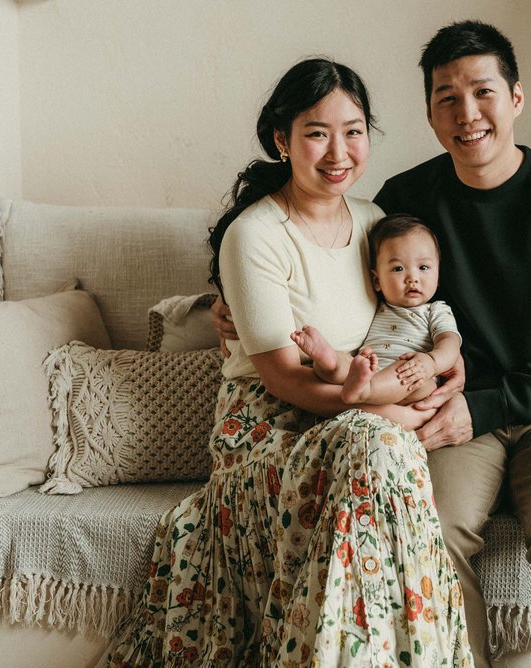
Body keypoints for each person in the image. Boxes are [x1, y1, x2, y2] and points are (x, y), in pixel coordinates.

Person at [213, 22, 531, 667]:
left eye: (482, 92)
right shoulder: (404, 202)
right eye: (446, 98)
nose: (467, 115)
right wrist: (226, 304)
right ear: (429, 112)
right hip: (446, 408)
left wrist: (487, 406)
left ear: (516, 97)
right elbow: (311, 254)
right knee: (428, 532)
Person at [102, 58, 472, 667]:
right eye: (317, 132)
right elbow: (280, 376)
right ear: (283, 140)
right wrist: (383, 411)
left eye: (353, 131)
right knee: (378, 450)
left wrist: (439, 371)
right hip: (268, 429)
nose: (339, 151)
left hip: (356, 413)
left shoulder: (378, 224)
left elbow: (418, 321)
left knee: (373, 455)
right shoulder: (255, 235)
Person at [290, 213, 462, 406]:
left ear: (438, 277)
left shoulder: (436, 310)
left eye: (423, 267)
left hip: (414, 375)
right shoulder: (373, 306)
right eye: (398, 269)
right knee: (346, 361)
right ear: (377, 281)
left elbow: (450, 343)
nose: (412, 277)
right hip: (368, 368)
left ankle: (364, 391)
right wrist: (345, 363)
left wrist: (431, 363)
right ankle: (329, 361)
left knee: (416, 379)